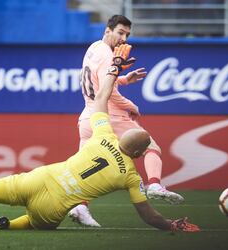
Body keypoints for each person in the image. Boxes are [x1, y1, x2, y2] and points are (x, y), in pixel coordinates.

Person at [0, 44, 199, 232]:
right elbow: (148, 215)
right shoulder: (130, 176)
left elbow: (101, 97)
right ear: (140, 155)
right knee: (35, 223)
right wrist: (170, 226)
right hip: (54, 206)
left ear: (123, 137)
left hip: (38, 180)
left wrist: (114, 69)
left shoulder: (102, 134)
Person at [70, 14, 184, 227]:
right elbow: (107, 93)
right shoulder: (106, 54)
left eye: (127, 34)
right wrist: (130, 106)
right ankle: (154, 185)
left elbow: (97, 81)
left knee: (85, 167)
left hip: (87, 117)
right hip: (109, 116)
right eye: (120, 33)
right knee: (151, 146)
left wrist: (123, 78)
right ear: (107, 30)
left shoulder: (94, 48)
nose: (124, 38)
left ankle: (80, 205)